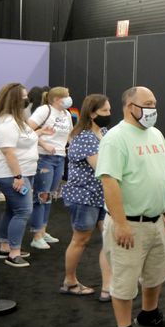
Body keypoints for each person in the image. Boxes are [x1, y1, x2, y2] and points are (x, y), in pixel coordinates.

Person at [96, 86, 165, 327]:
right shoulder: (116, 138)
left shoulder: (154, 133)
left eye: (154, 103)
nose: (152, 109)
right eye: (147, 104)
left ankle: (149, 314)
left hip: (156, 222)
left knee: (157, 273)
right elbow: (109, 182)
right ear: (129, 106)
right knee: (124, 281)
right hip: (130, 224)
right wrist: (120, 224)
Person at [0, 83, 52, 267]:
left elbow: (23, 140)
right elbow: (9, 152)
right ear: (14, 99)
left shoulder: (17, 120)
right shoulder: (6, 123)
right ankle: (13, 253)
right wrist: (18, 177)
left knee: (13, 210)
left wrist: (40, 132)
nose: (27, 100)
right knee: (23, 211)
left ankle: (4, 246)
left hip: (22, 172)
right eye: (23, 97)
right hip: (10, 174)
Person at [60, 94, 113, 300]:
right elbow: (102, 168)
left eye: (109, 110)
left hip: (102, 196)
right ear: (92, 114)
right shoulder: (84, 137)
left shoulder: (105, 132)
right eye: (105, 111)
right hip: (84, 196)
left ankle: (108, 288)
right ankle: (69, 281)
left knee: (109, 240)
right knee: (80, 240)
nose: (109, 114)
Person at [27, 86, 74, 250]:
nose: (69, 98)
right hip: (44, 157)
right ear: (56, 99)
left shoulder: (66, 114)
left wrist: (71, 145)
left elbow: (69, 134)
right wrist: (44, 144)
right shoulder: (44, 110)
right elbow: (28, 129)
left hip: (60, 157)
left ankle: (43, 230)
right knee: (42, 195)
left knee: (50, 195)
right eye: (67, 96)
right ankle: (36, 235)